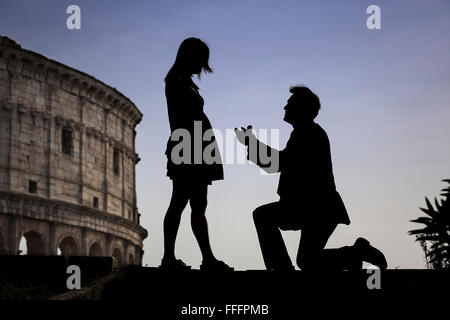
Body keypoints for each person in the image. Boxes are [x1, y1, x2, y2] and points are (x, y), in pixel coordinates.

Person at [235, 86, 387, 271]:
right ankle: (355, 254)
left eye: (289, 104)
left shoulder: (308, 134)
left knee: (263, 216)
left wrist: (253, 144)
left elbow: (280, 163)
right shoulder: (305, 132)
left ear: (301, 109)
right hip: (316, 208)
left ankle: (280, 269)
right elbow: (280, 163)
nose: (285, 107)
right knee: (308, 261)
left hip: (315, 207)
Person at [160, 38, 233, 271]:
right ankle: (170, 258)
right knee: (179, 202)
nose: (202, 67)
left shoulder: (185, 82)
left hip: (197, 147)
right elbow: (182, 118)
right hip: (189, 146)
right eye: (200, 60)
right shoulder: (176, 81)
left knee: (198, 204)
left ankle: (206, 258)